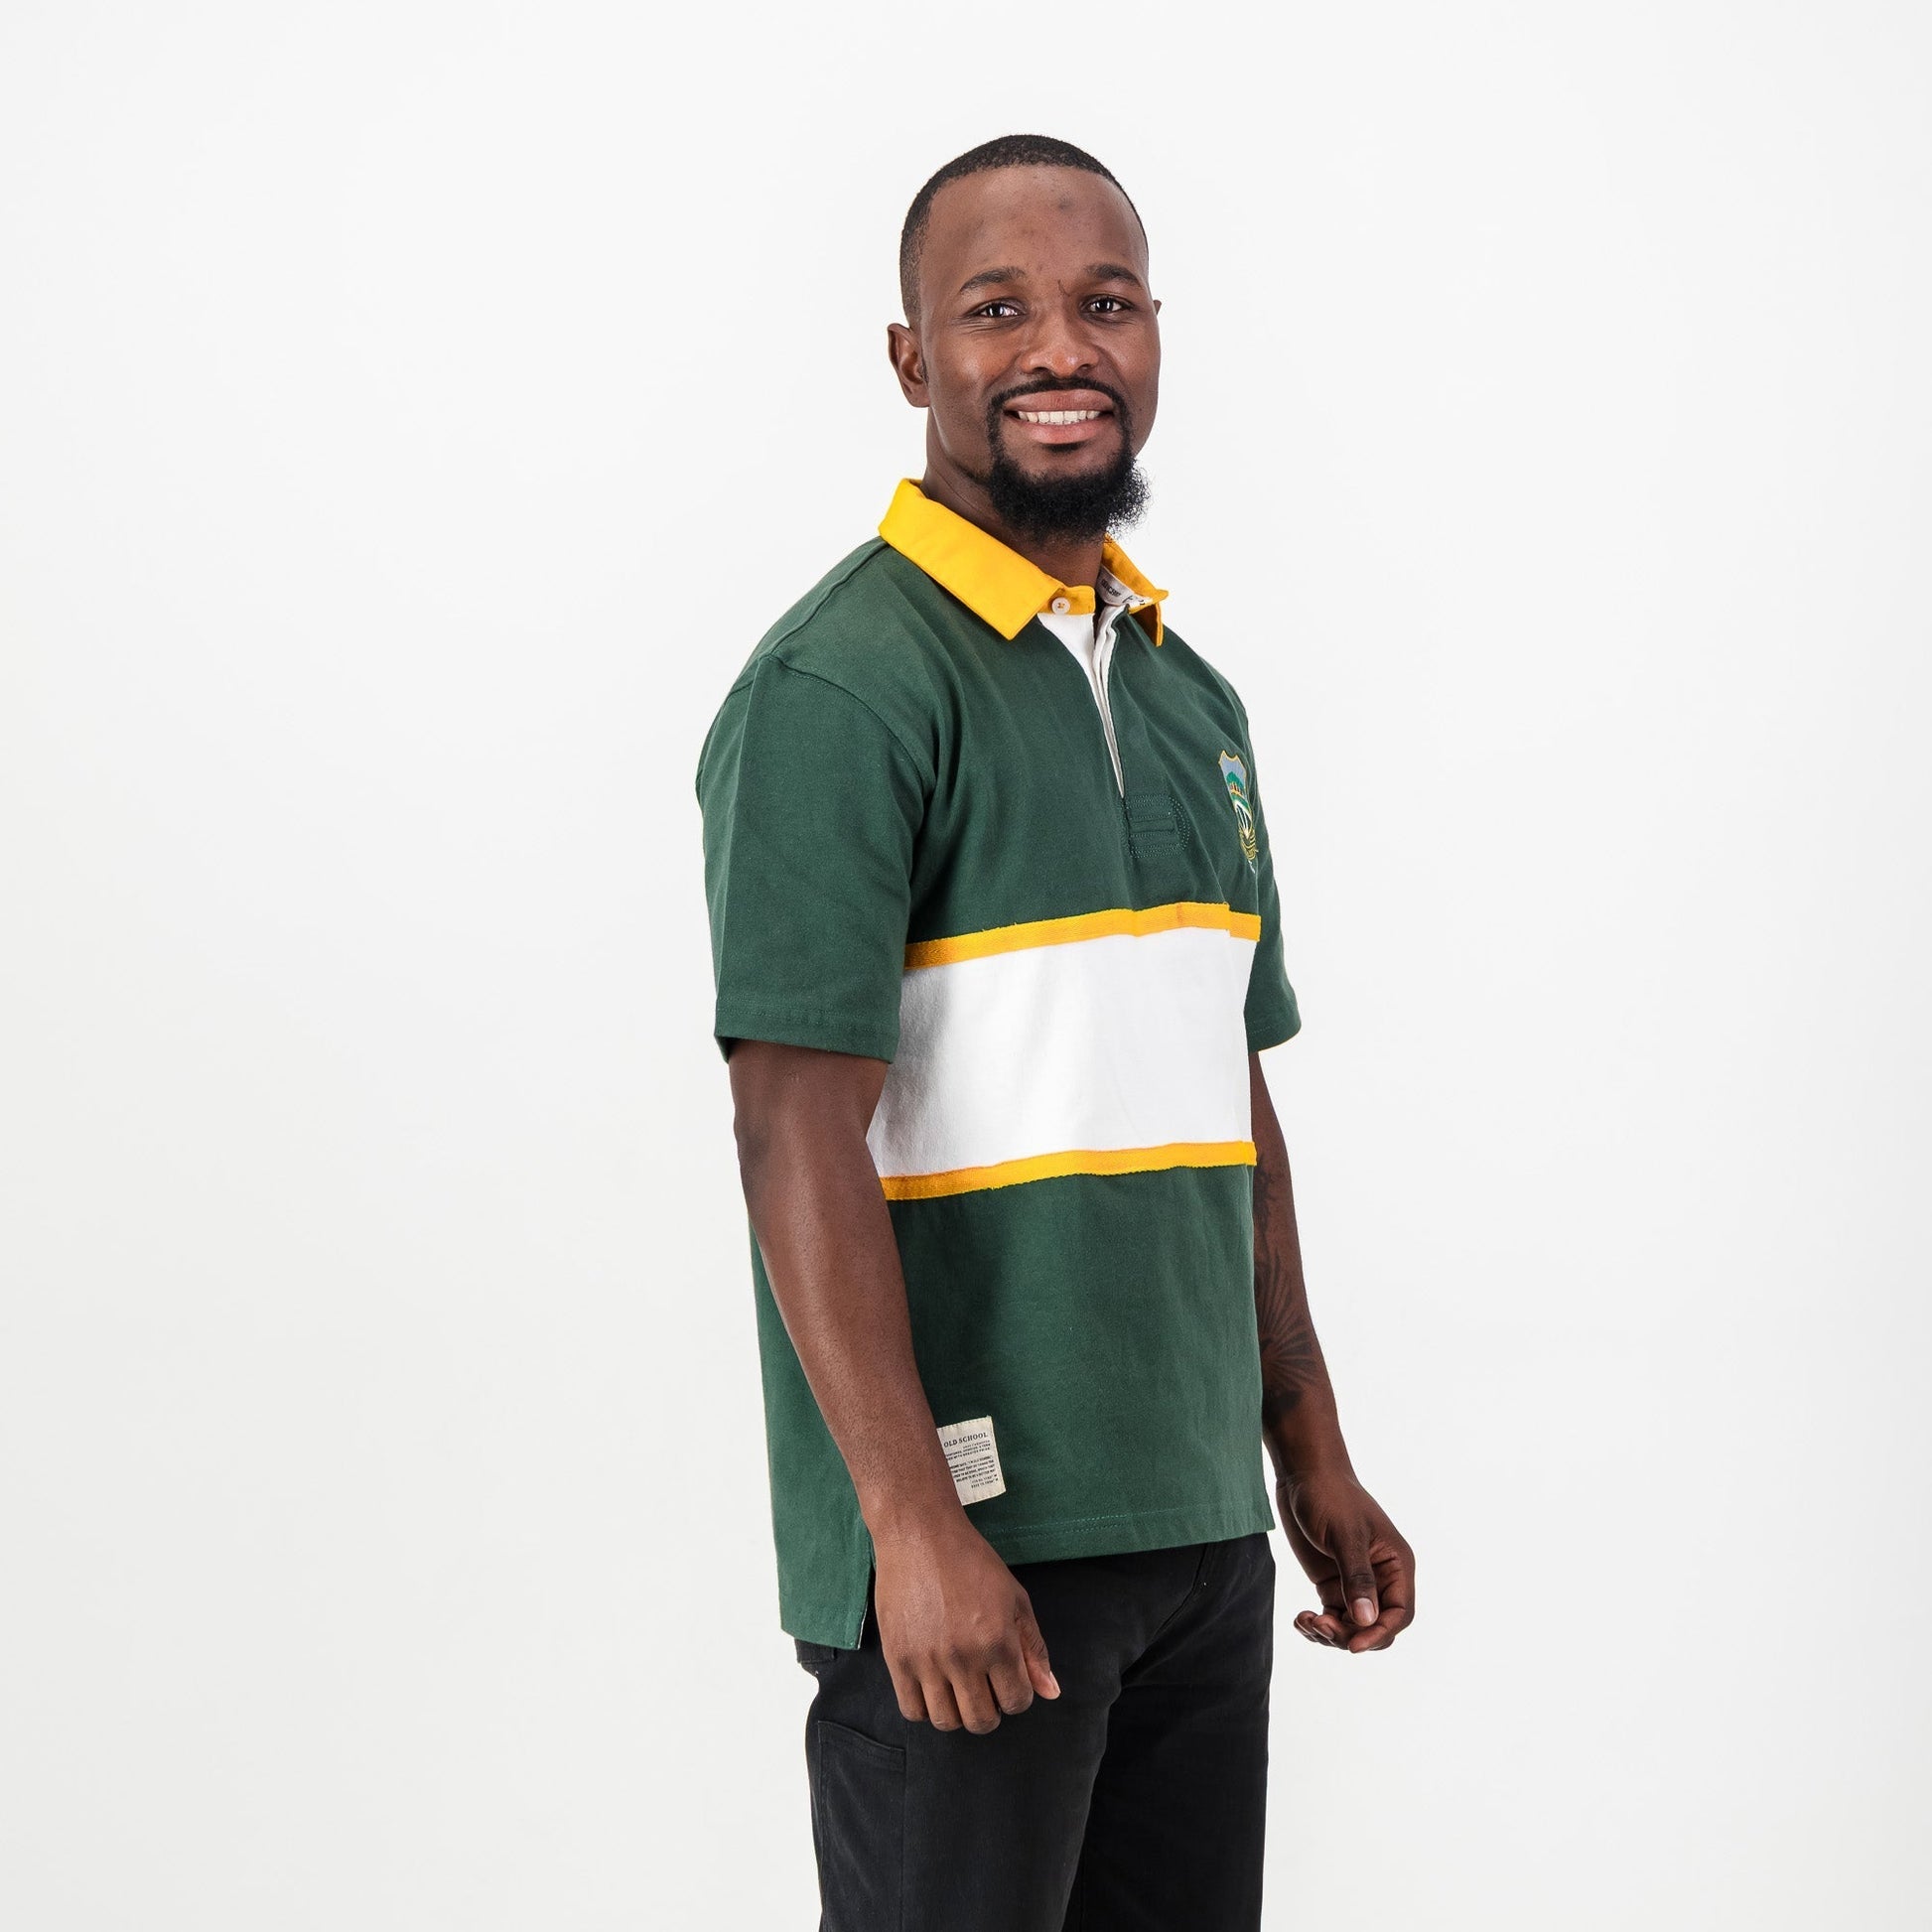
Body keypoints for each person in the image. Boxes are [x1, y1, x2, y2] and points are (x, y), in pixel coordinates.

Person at [696, 132, 1415, 1932]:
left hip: (1197, 1530)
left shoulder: (1191, 699)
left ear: (1155, 334)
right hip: (974, 1550)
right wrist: (907, 1524)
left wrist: (1305, 1441)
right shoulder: (841, 685)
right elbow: (789, 1130)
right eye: (994, 308)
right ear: (909, 357)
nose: (1059, 349)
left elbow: (1224, 1094)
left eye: (1103, 302)